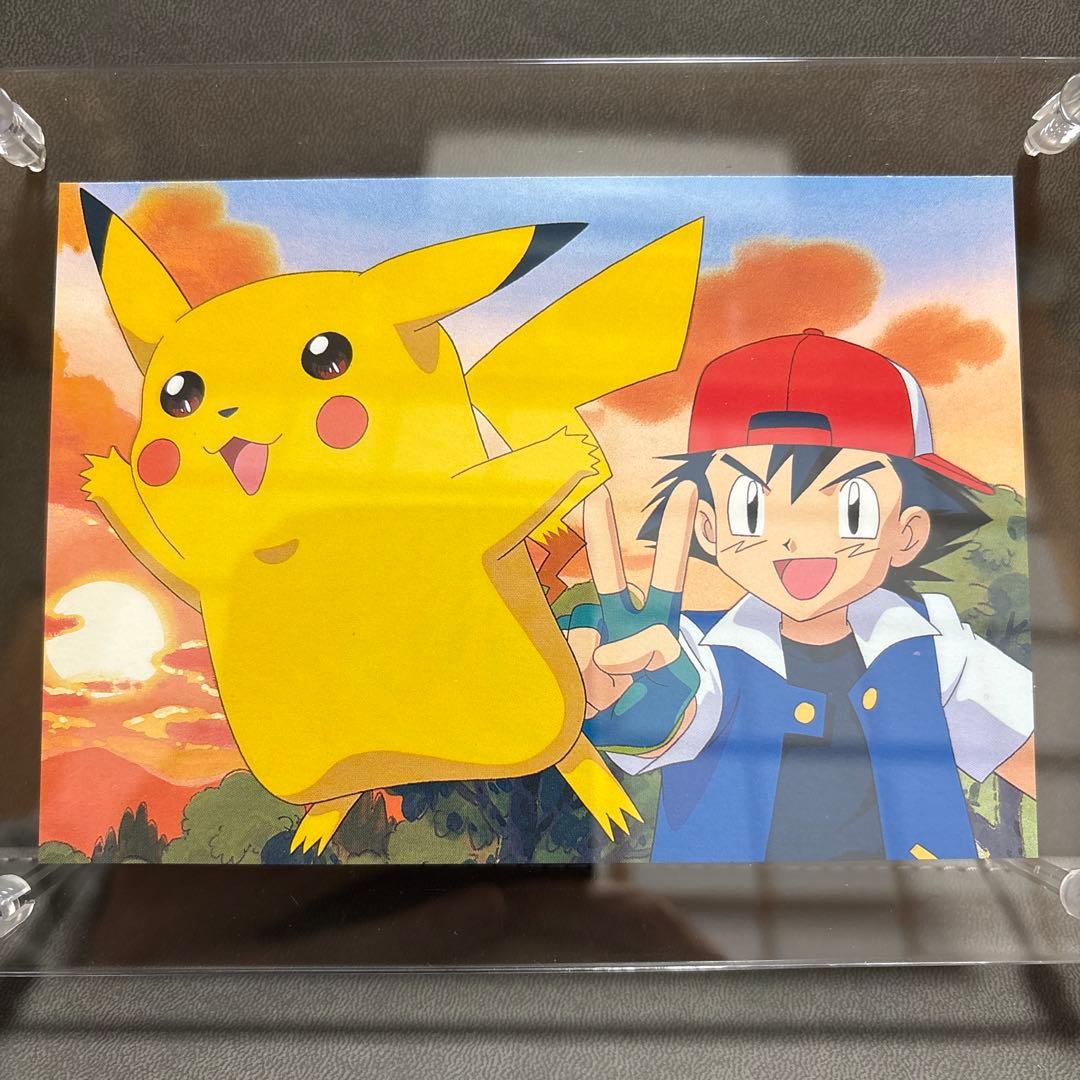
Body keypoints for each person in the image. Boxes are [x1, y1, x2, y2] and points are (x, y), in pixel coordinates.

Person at [562, 329, 1034, 862]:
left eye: (851, 507)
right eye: (751, 507)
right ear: (709, 528)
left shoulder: (937, 648)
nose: (795, 538)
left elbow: (1044, 759)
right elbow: (681, 710)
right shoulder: (700, 655)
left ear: (907, 532)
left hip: (917, 913)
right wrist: (634, 705)